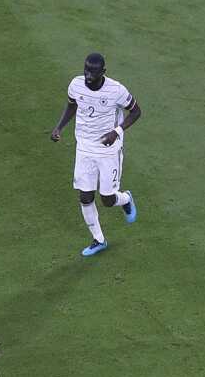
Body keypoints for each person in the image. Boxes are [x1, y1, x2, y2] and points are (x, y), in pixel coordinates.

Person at [50, 52, 142, 257]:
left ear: (103, 72)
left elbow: (136, 112)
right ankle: (98, 239)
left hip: (108, 149)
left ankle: (125, 199)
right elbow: (72, 106)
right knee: (85, 196)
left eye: (93, 71)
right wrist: (59, 128)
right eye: (86, 70)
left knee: (107, 199)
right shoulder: (75, 85)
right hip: (84, 147)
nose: (88, 74)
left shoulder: (116, 90)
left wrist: (116, 132)